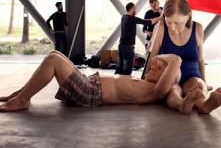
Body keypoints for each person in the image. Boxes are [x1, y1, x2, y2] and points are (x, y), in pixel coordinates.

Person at [0, 50, 182, 112]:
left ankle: (22, 101)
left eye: (159, 69)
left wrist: (175, 61)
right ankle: (21, 95)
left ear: (166, 79)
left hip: (90, 93)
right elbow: (159, 58)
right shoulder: (144, 83)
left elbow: (175, 61)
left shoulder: (152, 92)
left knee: (53, 61)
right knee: (54, 54)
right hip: (90, 83)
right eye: (156, 65)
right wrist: (161, 60)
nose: (154, 66)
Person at [145, 0, 221, 114]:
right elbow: (152, 56)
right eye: (169, 22)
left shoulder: (197, 28)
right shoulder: (161, 27)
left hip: (191, 75)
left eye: (178, 23)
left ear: (188, 16)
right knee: (173, 90)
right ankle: (181, 104)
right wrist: (145, 81)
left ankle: (204, 104)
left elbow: (201, 59)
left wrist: (204, 81)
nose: (172, 28)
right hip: (169, 77)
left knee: (198, 86)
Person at [115, 2, 161, 75]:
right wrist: (160, 18)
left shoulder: (123, 17)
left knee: (120, 67)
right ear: (132, 8)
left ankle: (116, 82)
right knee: (128, 69)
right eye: (135, 8)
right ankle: (125, 83)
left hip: (121, 46)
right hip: (128, 47)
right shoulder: (132, 19)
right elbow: (148, 22)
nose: (136, 10)